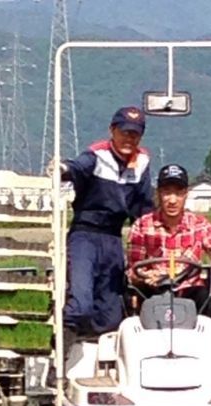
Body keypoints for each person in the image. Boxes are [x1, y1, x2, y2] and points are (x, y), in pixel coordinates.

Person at [52, 106, 154, 336]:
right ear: (112, 131)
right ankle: (59, 342)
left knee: (111, 316)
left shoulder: (142, 163)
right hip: (84, 236)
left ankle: (93, 350)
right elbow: (76, 167)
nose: (129, 138)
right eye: (124, 132)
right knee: (81, 304)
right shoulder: (97, 155)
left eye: (135, 134)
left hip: (113, 239)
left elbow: (144, 208)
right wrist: (63, 169)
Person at [126, 164, 211, 322]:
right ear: (158, 194)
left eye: (178, 193)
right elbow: (133, 270)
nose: (172, 200)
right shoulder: (142, 225)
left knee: (208, 297)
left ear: (186, 195)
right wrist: (145, 276)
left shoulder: (199, 224)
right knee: (142, 299)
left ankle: (210, 340)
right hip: (155, 289)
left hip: (190, 289)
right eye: (167, 192)